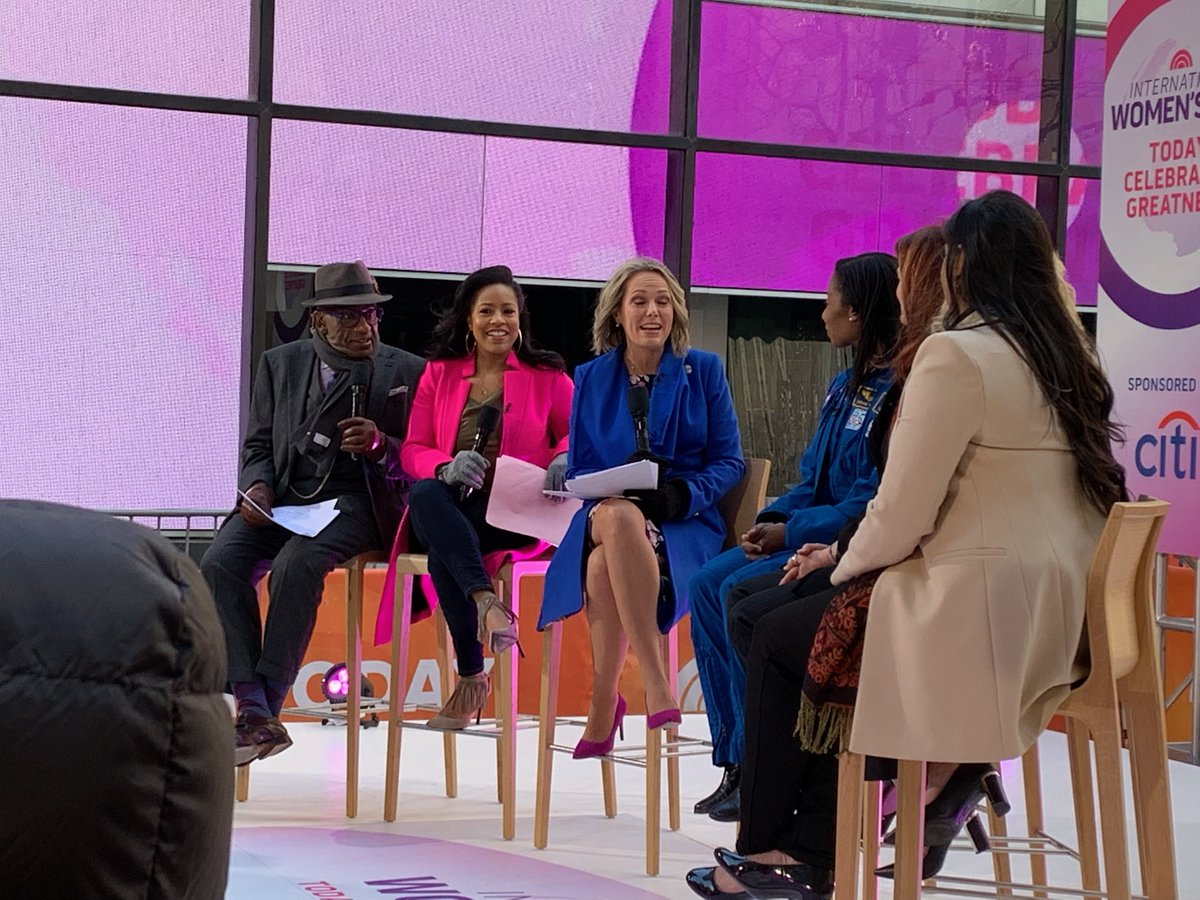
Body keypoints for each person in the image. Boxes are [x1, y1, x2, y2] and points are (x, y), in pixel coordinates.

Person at [689, 191, 1127, 899]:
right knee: (795, 617)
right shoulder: (1066, 354)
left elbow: (899, 514)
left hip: (975, 611)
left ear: (961, 265)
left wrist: (837, 563)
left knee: (778, 633)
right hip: (1058, 611)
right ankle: (836, 831)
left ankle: (781, 854)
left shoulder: (958, 355)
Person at [687, 253, 902, 821]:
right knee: (708, 580)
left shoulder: (900, 391)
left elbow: (870, 502)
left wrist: (794, 531)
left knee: (738, 592)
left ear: (856, 310)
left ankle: (766, 762)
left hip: (845, 546)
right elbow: (813, 478)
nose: (823, 309)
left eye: (830, 297)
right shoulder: (842, 385)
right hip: (806, 529)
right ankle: (734, 757)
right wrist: (775, 518)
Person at [202, 260, 425, 766]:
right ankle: (251, 705)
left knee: (297, 565)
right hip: (282, 500)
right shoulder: (279, 365)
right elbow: (257, 444)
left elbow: (419, 456)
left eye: (370, 314)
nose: (363, 326)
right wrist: (255, 485)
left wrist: (379, 446)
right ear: (318, 320)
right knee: (219, 562)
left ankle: (264, 707)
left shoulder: (407, 371)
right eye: (348, 317)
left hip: (359, 503)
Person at [540, 257, 745, 757]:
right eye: (639, 302)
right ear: (617, 315)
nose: (652, 312)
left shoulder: (704, 371)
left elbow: (730, 462)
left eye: (662, 302)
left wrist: (682, 496)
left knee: (601, 566)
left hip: (682, 524)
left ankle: (603, 700)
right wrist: (605, 479)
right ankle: (655, 679)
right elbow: (583, 469)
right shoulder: (591, 377)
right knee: (615, 515)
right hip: (609, 511)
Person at [374, 265, 573, 729]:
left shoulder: (548, 376)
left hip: (517, 510)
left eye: (508, 310)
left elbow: (576, 434)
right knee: (426, 492)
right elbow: (415, 450)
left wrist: (564, 456)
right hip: (454, 502)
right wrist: (446, 466)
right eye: (487, 311)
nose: (498, 320)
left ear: (520, 318)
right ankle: (485, 602)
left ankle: (471, 672)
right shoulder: (438, 375)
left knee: (444, 539)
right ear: (469, 319)